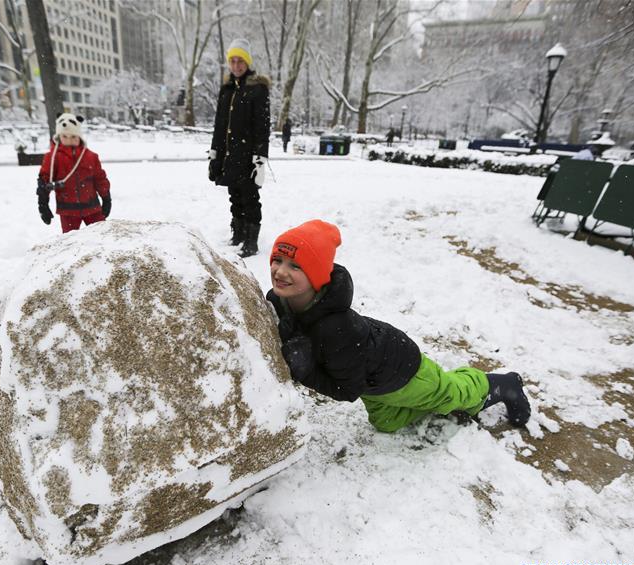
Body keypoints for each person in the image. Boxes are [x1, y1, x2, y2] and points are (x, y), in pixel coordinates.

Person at [266, 219, 532, 433]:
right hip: (370, 380)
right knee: (387, 424)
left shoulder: (336, 329)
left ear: (317, 274)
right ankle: (438, 404)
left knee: (454, 393)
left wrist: (306, 370)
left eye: (295, 265)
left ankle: (502, 384)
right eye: (277, 260)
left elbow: (347, 391)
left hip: (404, 372)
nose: (280, 271)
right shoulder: (279, 300)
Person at [208, 38, 271, 258]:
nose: (236, 65)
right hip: (229, 155)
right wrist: (214, 155)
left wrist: (260, 158)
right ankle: (238, 234)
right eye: (233, 61)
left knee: (250, 197)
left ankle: (251, 242)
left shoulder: (257, 89)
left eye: (240, 61)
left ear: (247, 62)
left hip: (247, 156)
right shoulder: (226, 89)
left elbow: (262, 127)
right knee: (234, 195)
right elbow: (219, 125)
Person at [37, 113, 111, 234]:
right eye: (65, 136)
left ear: (79, 137)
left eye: (73, 137)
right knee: (70, 243)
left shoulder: (91, 156)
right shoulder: (52, 157)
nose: (69, 140)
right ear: (59, 137)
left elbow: (100, 179)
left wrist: (106, 198)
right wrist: (43, 204)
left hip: (92, 208)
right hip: (67, 211)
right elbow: (44, 181)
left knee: (100, 237)